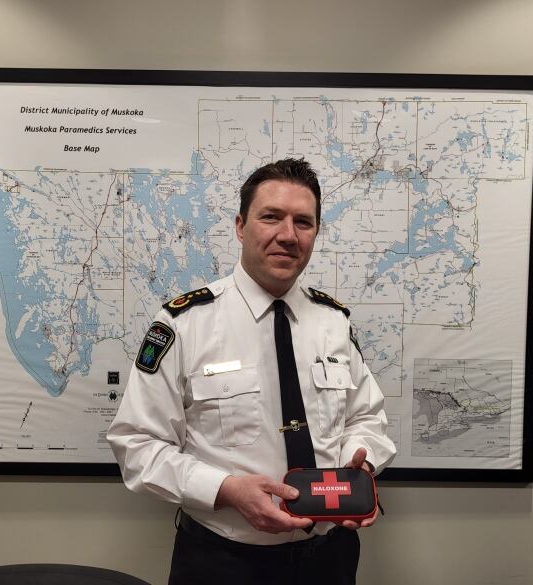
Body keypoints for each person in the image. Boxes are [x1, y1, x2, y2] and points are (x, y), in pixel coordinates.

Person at [108, 158, 396, 585]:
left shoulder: (333, 322)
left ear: (316, 232)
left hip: (329, 560)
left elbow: (366, 419)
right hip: (222, 563)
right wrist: (226, 490)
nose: (287, 235)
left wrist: (361, 464)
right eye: (271, 217)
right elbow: (137, 445)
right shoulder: (183, 324)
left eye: (303, 222)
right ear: (241, 226)